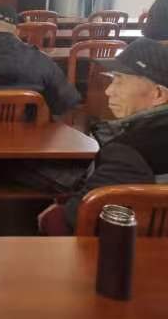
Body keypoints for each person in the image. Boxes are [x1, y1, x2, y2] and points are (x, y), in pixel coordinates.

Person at [39, 39, 168, 235]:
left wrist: (52, 216)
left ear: (158, 94)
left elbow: (79, 217)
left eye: (120, 80)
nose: (108, 91)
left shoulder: (129, 152)